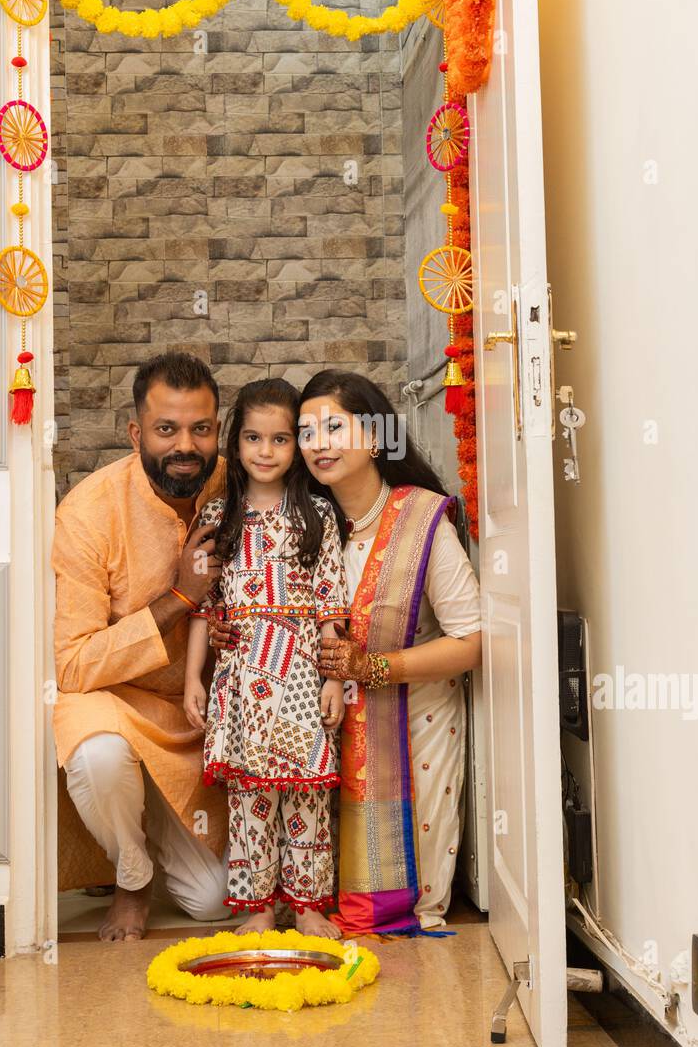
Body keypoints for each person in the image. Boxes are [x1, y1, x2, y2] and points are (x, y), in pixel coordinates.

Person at [51, 351, 231, 942]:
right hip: (115, 703)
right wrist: (179, 595)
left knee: (213, 904)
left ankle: (153, 822)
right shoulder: (89, 512)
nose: (186, 445)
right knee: (100, 756)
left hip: (198, 719)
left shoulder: (245, 484)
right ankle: (130, 877)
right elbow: (73, 663)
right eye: (166, 429)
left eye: (200, 429)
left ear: (218, 430)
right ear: (136, 434)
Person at [299, 370, 482, 935]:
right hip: (320, 722)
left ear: (375, 436)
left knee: (406, 903)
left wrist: (374, 668)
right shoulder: (300, 524)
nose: (319, 443)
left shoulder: (422, 518)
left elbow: (471, 641)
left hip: (415, 715)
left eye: (334, 426)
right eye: (305, 433)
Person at [184, 378, 350, 939]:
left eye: (280, 439)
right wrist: (193, 680)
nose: (265, 451)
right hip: (241, 676)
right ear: (236, 443)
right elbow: (204, 607)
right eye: (253, 438)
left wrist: (333, 679)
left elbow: (331, 601)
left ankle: (306, 907)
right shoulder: (217, 514)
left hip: (302, 673)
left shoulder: (318, 515)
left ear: (296, 447)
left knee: (305, 794)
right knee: (249, 796)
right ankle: (256, 907)